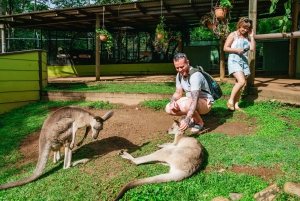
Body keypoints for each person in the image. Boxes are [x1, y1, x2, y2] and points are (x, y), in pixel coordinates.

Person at [165, 53, 214, 132]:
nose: (180, 70)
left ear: (187, 62)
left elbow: (195, 100)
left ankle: (199, 122)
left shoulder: (195, 75)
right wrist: (172, 101)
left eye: (182, 67)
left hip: (205, 102)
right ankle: (193, 118)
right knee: (169, 108)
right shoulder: (179, 75)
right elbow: (178, 92)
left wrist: (186, 119)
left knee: (186, 105)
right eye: (177, 68)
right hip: (190, 100)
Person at [223, 17, 255, 111]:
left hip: (244, 62)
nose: (245, 30)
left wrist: (252, 36)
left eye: (247, 29)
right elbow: (225, 48)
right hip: (234, 60)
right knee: (242, 81)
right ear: (239, 25)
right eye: (243, 27)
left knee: (240, 84)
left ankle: (236, 105)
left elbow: (252, 48)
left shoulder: (246, 38)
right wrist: (237, 50)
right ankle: (230, 100)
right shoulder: (233, 35)